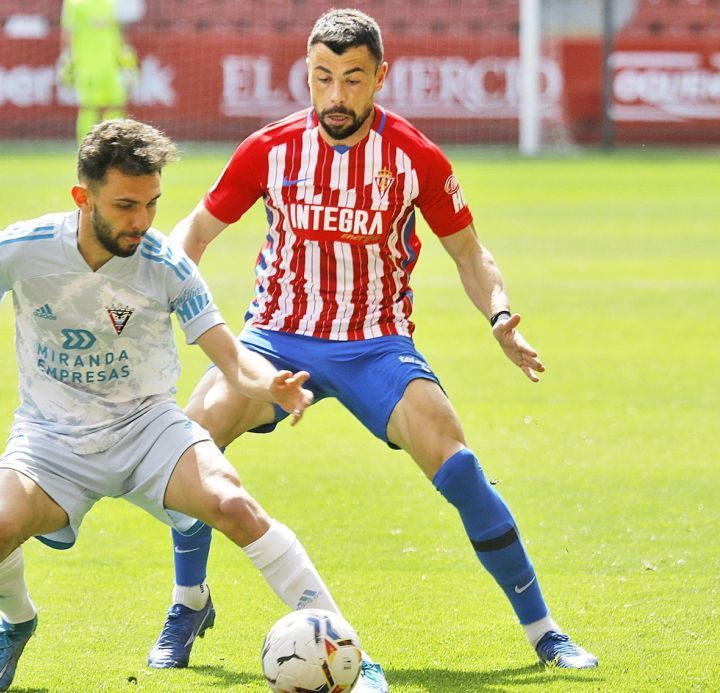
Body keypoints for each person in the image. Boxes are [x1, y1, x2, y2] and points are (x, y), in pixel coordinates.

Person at [0, 119, 383, 693]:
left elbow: (229, 353)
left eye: (151, 204)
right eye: (124, 205)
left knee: (234, 504)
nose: (141, 221)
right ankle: (16, 623)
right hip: (51, 440)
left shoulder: (167, 265)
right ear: (82, 196)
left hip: (148, 429)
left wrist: (271, 386)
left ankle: (352, 655)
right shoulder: (23, 248)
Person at [147, 7, 598, 678]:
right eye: (322, 78)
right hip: (276, 335)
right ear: (307, 73)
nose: (335, 96)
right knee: (190, 446)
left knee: (459, 465)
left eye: (352, 79)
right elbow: (195, 231)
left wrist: (502, 318)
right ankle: (189, 603)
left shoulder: (414, 156)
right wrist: (162, 286)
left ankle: (545, 632)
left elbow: (471, 255)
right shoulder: (269, 149)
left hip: (374, 341)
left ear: (380, 77)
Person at [59, 0, 138, 145]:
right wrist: (66, 60)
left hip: (111, 65)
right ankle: (85, 147)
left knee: (115, 104)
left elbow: (119, 33)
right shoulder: (75, 4)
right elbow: (68, 34)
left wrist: (127, 58)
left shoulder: (112, 4)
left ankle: (115, 145)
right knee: (89, 106)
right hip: (86, 65)